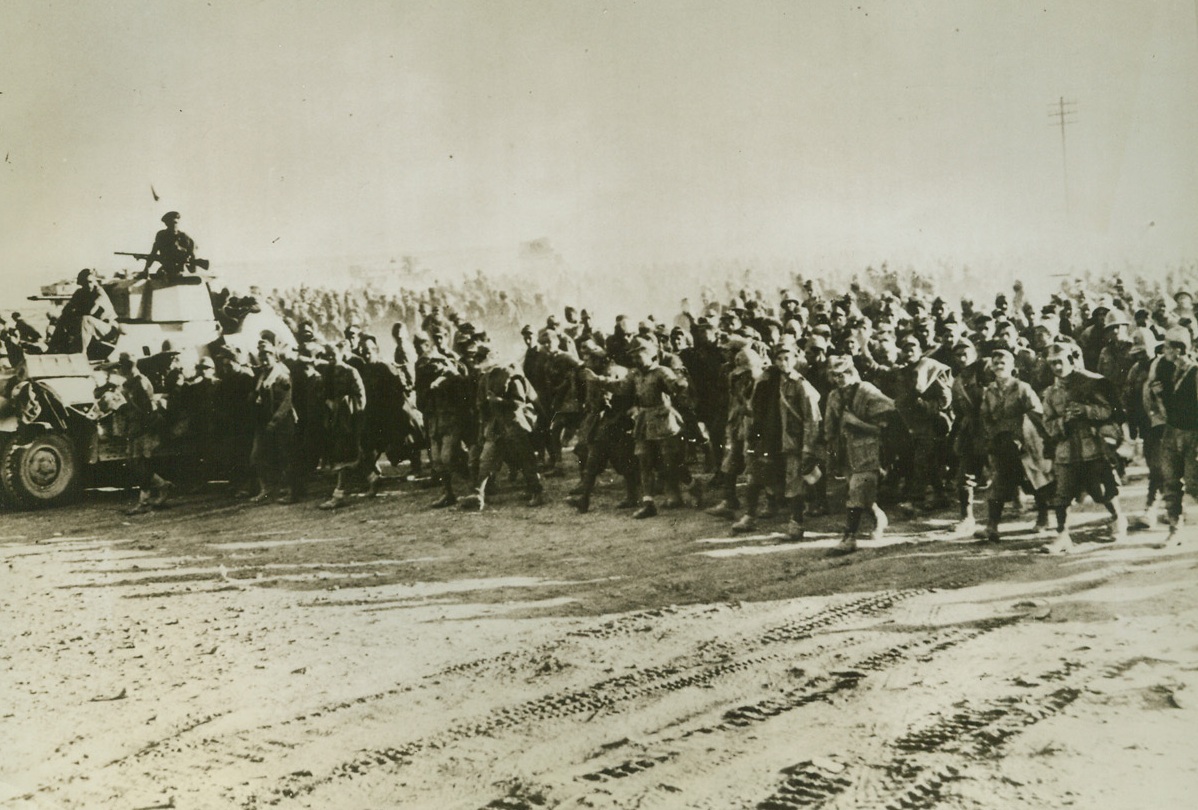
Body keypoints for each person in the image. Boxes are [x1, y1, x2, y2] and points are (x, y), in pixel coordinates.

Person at [728, 341, 822, 541]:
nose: (782, 362)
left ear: (795, 359)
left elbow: (812, 419)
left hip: (792, 441)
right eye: (778, 358)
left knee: (793, 482)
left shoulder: (800, 384)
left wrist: (808, 447)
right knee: (755, 476)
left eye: (786, 358)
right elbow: (755, 409)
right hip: (768, 439)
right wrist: (753, 436)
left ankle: (796, 523)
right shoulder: (766, 380)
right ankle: (749, 516)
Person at [1040, 341, 1126, 553]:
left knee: (1102, 490)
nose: (1057, 368)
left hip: (1092, 446)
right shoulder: (1051, 393)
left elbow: (1108, 411)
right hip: (1066, 449)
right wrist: (1062, 423)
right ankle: (1062, 536)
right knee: (1062, 494)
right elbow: (1048, 423)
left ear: (1070, 359)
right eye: (1052, 364)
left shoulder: (1091, 383)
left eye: (1060, 362)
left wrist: (1086, 410)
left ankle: (1118, 519)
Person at [824, 355, 895, 555]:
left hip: (869, 449)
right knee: (861, 492)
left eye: (843, 374)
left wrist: (855, 422)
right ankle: (879, 518)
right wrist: (831, 450)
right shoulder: (834, 396)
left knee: (856, 491)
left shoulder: (867, 391)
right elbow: (830, 427)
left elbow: (884, 426)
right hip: (846, 451)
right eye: (835, 376)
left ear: (852, 372)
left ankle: (850, 537)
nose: (839, 379)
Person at [979, 349, 1046, 542]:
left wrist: (1023, 436)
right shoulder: (989, 391)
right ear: (991, 367)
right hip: (1002, 444)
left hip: (1023, 443)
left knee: (1034, 480)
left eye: (1003, 363)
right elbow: (986, 416)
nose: (999, 367)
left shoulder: (1022, 388)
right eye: (996, 363)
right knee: (999, 482)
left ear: (1012, 367)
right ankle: (992, 526)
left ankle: (1043, 518)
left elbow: (1036, 413)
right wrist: (992, 437)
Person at [1147, 325, 1198, 547]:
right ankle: (1174, 529)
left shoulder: (1195, 372)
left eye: (1168, 346)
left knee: (1194, 483)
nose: (1164, 350)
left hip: (1193, 435)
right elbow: (1157, 402)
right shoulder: (1164, 370)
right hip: (1171, 432)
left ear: (1179, 349)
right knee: (1170, 483)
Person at [114, 352, 174, 514]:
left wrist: (144, 431)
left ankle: (145, 501)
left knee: (142, 465)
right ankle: (162, 486)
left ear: (128, 366)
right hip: (135, 428)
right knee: (135, 464)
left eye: (121, 365)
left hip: (144, 429)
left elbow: (150, 410)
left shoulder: (140, 383)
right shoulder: (130, 383)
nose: (119, 369)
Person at [47, 269, 117, 357]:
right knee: (63, 319)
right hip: (91, 328)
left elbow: (91, 311)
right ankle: (52, 349)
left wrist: (75, 312)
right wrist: (67, 316)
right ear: (81, 283)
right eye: (85, 282)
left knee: (85, 319)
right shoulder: (79, 293)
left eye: (91, 282)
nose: (89, 285)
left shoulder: (99, 293)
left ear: (95, 281)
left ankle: (81, 354)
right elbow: (66, 311)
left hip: (108, 331)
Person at [143, 211, 197, 280]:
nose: (174, 225)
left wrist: (181, 251)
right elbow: (153, 254)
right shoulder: (161, 235)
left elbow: (192, 257)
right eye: (170, 223)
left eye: (175, 223)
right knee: (161, 275)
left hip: (181, 269)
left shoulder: (184, 237)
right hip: (166, 269)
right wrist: (146, 269)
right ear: (166, 224)